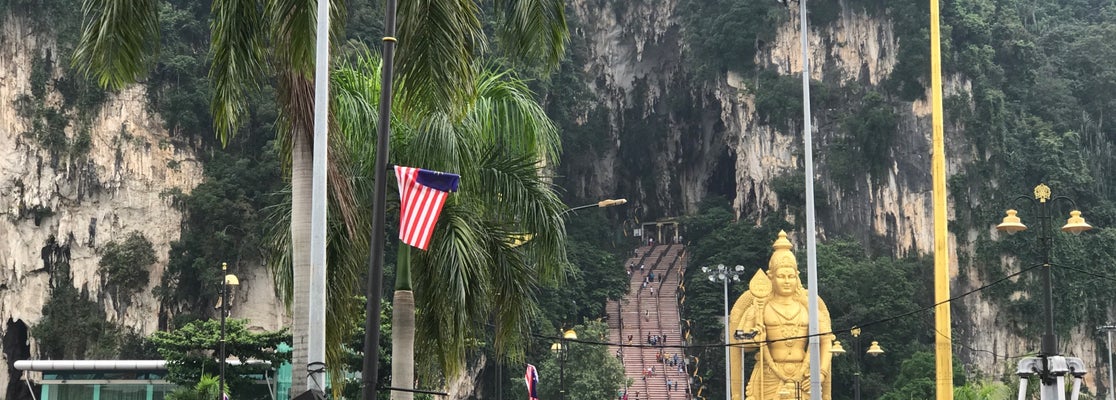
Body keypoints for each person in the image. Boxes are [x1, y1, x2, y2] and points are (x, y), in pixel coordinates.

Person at [731, 231, 834, 400]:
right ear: (771, 277)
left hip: (804, 374)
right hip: (769, 375)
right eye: (781, 276)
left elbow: (826, 341)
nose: (786, 281)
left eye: (791, 276)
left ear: (797, 277)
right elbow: (740, 340)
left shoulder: (808, 306)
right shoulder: (760, 307)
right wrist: (757, 336)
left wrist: (821, 373)